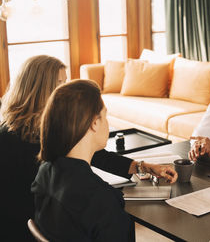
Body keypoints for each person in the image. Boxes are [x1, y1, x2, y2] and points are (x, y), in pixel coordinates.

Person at [0, 55, 177, 241]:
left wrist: (141, 166)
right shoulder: (14, 139)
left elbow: (95, 155)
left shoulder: (50, 143)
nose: (65, 90)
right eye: (60, 83)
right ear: (40, 88)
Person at [32, 79, 173, 241]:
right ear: (94, 123)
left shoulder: (44, 172)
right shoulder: (102, 201)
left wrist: (143, 167)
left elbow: (104, 159)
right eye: (105, 116)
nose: (108, 123)